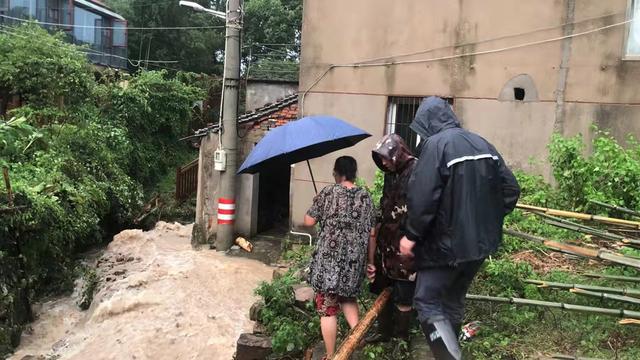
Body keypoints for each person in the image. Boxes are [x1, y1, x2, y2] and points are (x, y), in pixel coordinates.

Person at [399, 97, 521, 359]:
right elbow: (511, 190)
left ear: (428, 124)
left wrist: (410, 236)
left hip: (445, 247)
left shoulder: (436, 145)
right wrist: (485, 221)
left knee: (427, 302)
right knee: (451, 301)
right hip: (478, 247)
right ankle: (451, 352)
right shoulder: (482, 143)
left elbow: (423, 197)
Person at [304, 156, 376, 358]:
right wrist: (370, 262)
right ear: (354, 173)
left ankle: (330, 355)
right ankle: (358, 334)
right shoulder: (365, 196)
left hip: (328, 260)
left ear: (338, 172)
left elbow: (308, 221)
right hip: (353, 261)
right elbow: (372, 234)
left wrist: (317, 202)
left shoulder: (328, 192)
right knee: (348, 297)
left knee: (328, 307)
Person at [367, 134, 418, 342]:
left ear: (397, 153)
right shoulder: (390, 174)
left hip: (405, 241)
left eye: (386, 158)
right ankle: (383, 332)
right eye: (381, 160)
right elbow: (385, 202)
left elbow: (422, 208)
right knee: (383, 287)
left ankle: (401, 338)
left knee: (404, 292)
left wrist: (412, 235)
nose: (384, 163)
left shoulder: (417, 171)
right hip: (386, 240)